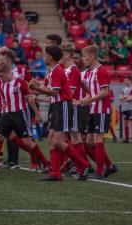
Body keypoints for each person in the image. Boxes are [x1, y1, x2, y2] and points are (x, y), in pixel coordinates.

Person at [30, 46, 89, 181]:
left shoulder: (57, 71)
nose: (43, 57)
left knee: (58, 141)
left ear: (50, 57)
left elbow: (54, 92)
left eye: (45, 55)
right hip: (57, 106)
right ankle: (56, 173)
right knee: (51, 139)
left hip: (63, 106)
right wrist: (35, 88)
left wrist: (37, 88)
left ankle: (83, 164)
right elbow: (50, 90)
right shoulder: (54, 71)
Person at [0, 62, 46, 174]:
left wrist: (37, 114)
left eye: (1, 76)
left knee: (27, 142)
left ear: (7, 72)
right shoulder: (2, 83)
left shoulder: (20, 83)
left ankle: (46, 164)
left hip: (19, 114)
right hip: (7, 115)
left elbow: (29, 99)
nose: (0, 78)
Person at [81, 45, 118, 179]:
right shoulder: (90, 72)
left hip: (102, 110)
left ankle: (99, 172)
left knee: (97, 140)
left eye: (84, 57)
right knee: (89, 143)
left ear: (91, 56)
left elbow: (105, 92)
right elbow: (92, 92)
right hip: (93, 110)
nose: (83, 59)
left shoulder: (101, 71)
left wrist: (90, 99)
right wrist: (81, 100)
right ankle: (110, 166)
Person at [61, 45, 87, 172]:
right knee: (68, 136)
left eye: (61, 54)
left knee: (75, 136)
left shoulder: (73, 71)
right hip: (65, 106)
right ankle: (75, 165)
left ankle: (81, 167)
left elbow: (70, 93)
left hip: (72, 107)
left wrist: (53, 94)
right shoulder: (65, 70)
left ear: (66, 55)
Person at [119, 76, 132, 143]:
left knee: (131, 123)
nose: (124, 81)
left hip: (130, 108)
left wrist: (124, 98)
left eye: (126, 80)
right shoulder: (123, 89)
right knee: (125, 124)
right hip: (124, 108)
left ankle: (130, 137)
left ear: (130, 80)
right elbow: (120, 98)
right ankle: (126, 138)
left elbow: (130, 98)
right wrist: (126, 97)